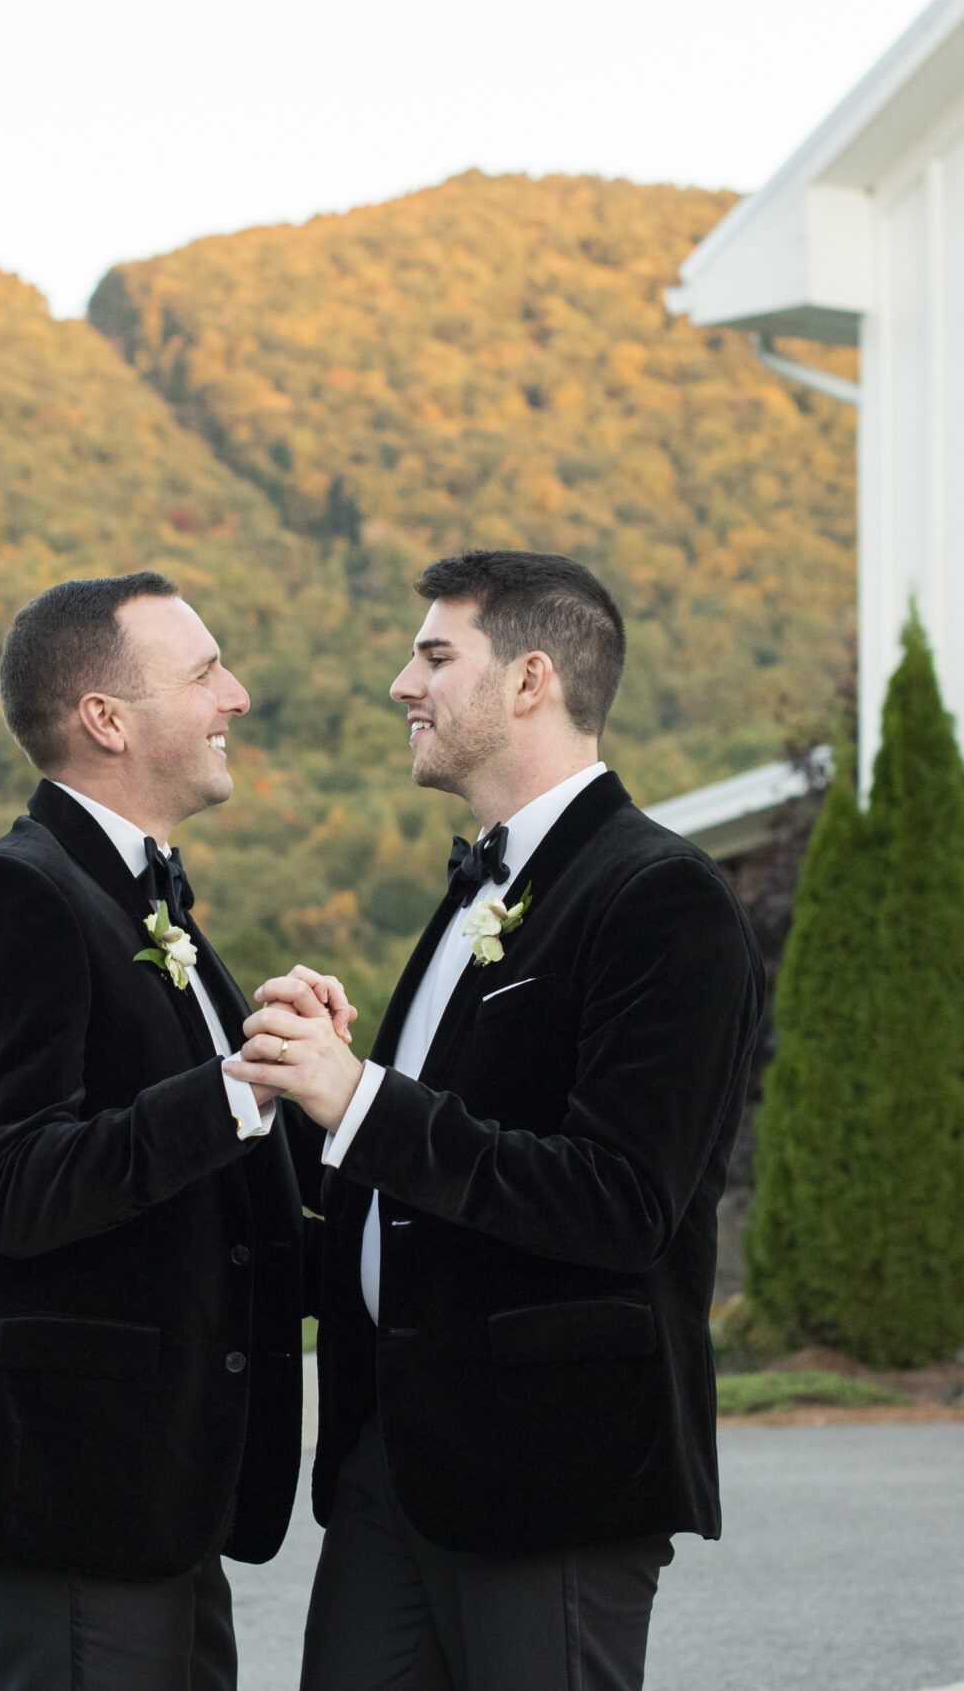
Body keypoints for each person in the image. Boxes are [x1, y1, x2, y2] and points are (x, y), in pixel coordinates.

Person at [229, 551, 765, 1691]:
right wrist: (300, 1084)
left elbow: (618, 1202)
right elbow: (419, 1177)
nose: (399, 685)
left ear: (529, 680)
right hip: (390, 1466)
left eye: (433, 656)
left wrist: (360, 1095)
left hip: (550, 1470)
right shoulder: (478, 892)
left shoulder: (657, 897)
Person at [0, 571, 339, 1691]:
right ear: (106, 719)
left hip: (154, 1486)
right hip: (75, 1485)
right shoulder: (17, 899)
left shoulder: (140, 901)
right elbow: (14, 1184)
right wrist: (233, 1089)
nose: (234, 695)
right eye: (204, 673)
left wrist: (286, 1076)